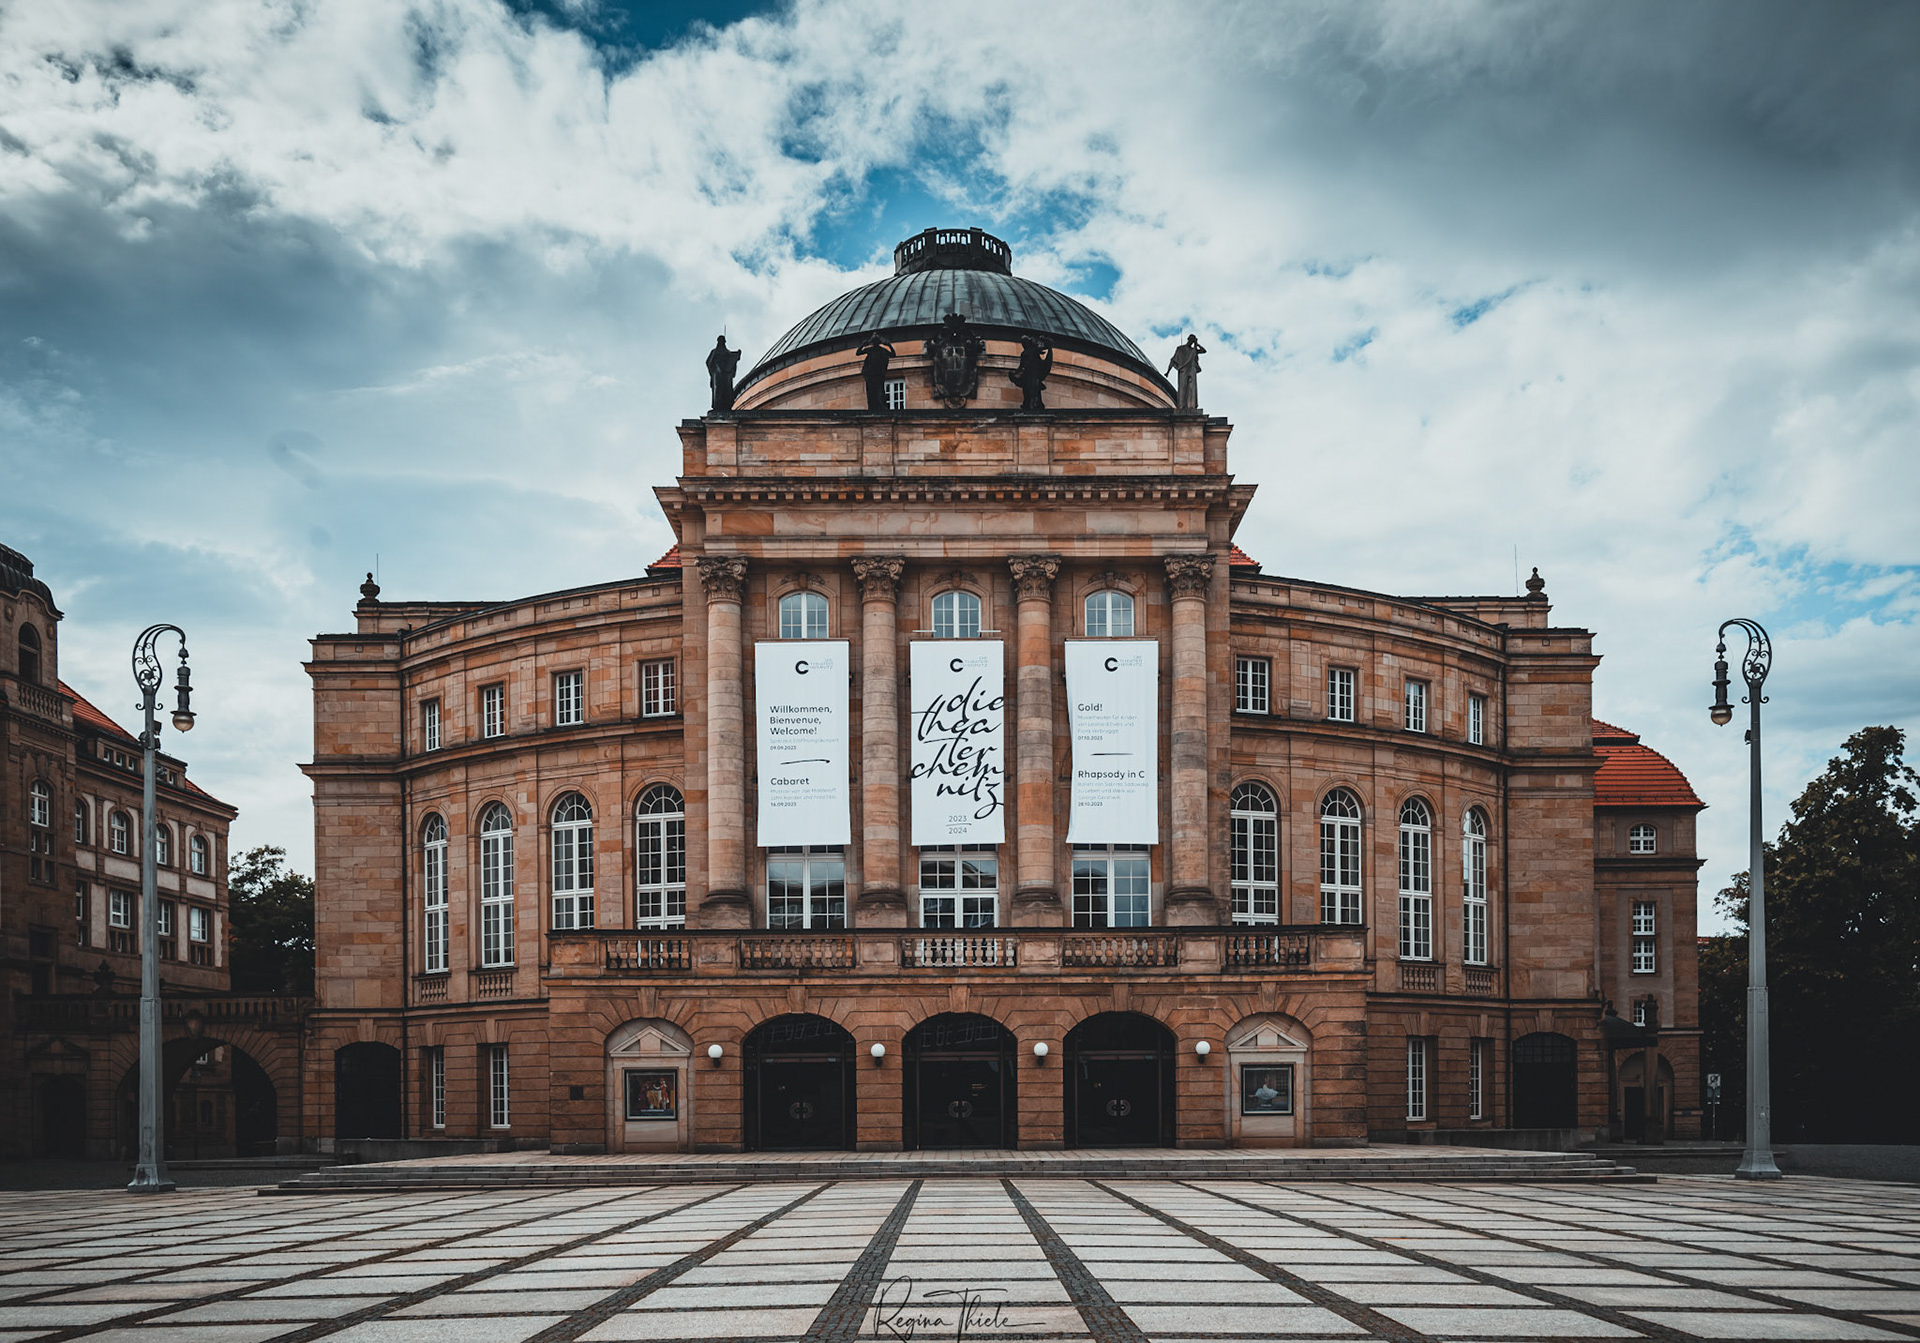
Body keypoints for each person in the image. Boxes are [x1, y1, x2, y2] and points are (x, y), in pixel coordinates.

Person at [1009, 334, 1054, 411]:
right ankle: (1031, 404)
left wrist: (1016, 373)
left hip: (1032, 376)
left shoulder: (1031, 352)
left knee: (1032, 391)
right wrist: (1015, 374)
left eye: (1024, 342)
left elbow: (1023, 366)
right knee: (1029, 392)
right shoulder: (1027, 353)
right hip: (1029, 376)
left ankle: (1033, 404)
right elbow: (1022, 366)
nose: (1023, 345)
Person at [856, 333, 897, 410]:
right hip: (871, 374)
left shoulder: (881, 350)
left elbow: (893, 355)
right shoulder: (871, 350)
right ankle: (873, 407)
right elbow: (858, 353)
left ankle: (881, 407)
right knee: (872, 392)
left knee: (879, 391)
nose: (874, 343)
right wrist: (862, 345)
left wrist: (889, 345)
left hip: (877, 374)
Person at [1166, 333, 1205, 410]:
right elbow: (1173, 360)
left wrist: (1197, 344)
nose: (1191, 342)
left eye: (1193, 341)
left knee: (1192, 388)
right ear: (1188, 339)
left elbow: (1204, 351)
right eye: (1191, 340)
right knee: (1182, 388)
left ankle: (1191, 405)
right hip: (1183, 370)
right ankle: (1181, 407)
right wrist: (1168, 372)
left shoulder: (1193, 350)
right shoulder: (1180, 349)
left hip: (1191, 370)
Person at [706, 335, 741, 412]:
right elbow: (709, 362)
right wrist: (714, 369)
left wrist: (737, 354)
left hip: (725, 373)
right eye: (720, 341)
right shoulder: (714, 352)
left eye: (723, 341)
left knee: (726, 388)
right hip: (717, 373)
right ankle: (718, 405)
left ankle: (726, 405)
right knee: (718, 388)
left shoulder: (727, 352)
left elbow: (732, 359)